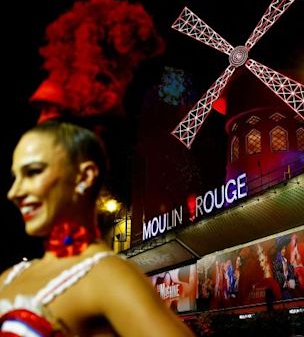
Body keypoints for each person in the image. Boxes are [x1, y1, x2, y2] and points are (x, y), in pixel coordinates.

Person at [0, 121, 194, 336]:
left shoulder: (108, 275)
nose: (14, 192)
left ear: (84, 176)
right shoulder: (9, 277)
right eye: (15, 177)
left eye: (33, 172)